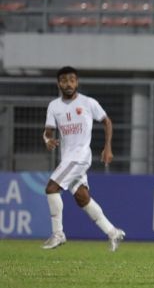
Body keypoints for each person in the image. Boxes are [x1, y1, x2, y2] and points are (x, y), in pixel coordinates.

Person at [41, 66, 125, 252]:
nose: (68, 83)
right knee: (82, 197)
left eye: (72, 79)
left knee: (51, 188)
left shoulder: (88, 103)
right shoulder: (54, 106)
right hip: (67, 158)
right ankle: (113, 232)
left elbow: (106, 121)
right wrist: (47, 140)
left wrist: (108, 146)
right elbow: (48, 132)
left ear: (77, 82)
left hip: (80, 157)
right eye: (64, 80)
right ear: (58, 83)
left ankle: (58, 234)